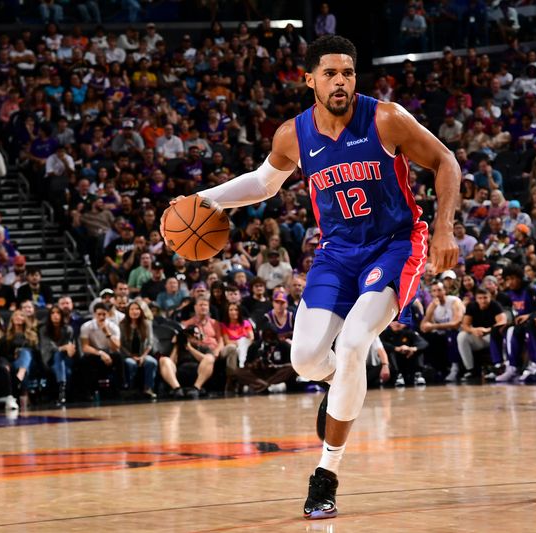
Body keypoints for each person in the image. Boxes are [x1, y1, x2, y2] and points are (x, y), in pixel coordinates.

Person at [162, 35, 458, 520]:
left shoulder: (386, 117)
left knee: (357, 340)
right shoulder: (293, 135)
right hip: (338, 253)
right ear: (309, 79)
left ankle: (327, 471)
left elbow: (446, 160)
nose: (340, 81)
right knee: (304, 360)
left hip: (395, 244)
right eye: (329, 73)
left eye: (347, 72)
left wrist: (445, 227)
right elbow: (262, 182)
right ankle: (342, 381)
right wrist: (208, 198)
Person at [232, 324, 296, 393]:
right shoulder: (255, 346)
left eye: (271, 334)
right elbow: (246, 364)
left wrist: (275, 366)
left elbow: (290, 364)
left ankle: (259, 386)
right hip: (259, 374)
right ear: (262, 335)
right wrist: (254, 364)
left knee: (292, 369)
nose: (269, 336)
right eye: (266, 334)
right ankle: (267, 386)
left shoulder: (284, 345)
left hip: (276, 374)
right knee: (238, 371)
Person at [159, 325, 216, 399]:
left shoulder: (204, 348)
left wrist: (190, 349)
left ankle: (196, 388)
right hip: (179, 376)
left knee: (209, 358)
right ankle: (177, 389)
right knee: (164, 360)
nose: (195, 336)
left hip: (198, 375)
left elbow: (206, 360)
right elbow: (171, 363)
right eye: (192, 334)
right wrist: (177, 345)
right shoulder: (178, 348)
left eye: (197, 334)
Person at [79, 302, 123, 396]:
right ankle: (88, 392)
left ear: (107, 314)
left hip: (110, 352)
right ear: (94, 314)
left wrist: (108, 334)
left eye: (104, 314)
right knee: (84, 361)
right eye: (99, 314)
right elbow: (85, 347)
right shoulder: (86, 326)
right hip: (95, 353)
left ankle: (121, 389)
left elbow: (116, 347)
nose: (102, 317)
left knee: (118, 357)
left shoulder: (113, 327)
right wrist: (100, 353)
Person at [120, 300, 157, 399]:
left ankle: (148, 388)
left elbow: (150, 343)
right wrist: (132, 356)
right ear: (128, 311)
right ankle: (131, 389)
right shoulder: (122, 325)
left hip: (143, 354)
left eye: (137, 309)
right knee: (130, 363)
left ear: (141, 311)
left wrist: (143, 356)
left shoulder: (147, 324)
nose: (134, 311)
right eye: (132, 309)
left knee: (151, 362)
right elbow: (121, 345)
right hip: (128, 355)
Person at [41, 305, 76, 405]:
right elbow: (47, 348)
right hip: (49, 359)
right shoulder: (44, 330)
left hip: (66, 359)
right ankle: (62, 392)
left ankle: (61, 391)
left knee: (60, 358)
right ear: (49, 316)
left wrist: (69, 349)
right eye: (53, 313)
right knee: (57, 355)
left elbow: (71, 348)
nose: (55, 315)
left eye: (58, 313)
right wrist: (63, 348)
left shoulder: (68, 329)